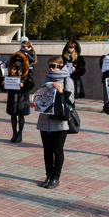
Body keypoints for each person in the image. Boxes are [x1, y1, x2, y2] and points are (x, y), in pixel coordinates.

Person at [32, 56, 75, 189]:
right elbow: (42, 96)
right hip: (45, 119)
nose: (52, 68)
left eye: (55, 66)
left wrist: (62, 91)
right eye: (50, 65)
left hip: (60, 121)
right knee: (47, 150)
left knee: (57, 150)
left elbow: (71, 101)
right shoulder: (46, 79)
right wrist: (35, 102)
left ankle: (56, 177)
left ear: (62, 66)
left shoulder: (67, 80)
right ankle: (48, 175)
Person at [4, 52, 35, 143]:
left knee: (21, 115)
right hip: (12, 96)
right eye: (16, 60)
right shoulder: (11, 70)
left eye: (19, 60)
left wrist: (23, 85)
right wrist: (4, 84)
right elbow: (6, 83)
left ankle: (20, 133)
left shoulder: (27, 71)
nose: (17, 62)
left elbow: (31, 84)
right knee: (13, 115)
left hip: (22, 96)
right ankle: (14, 133)